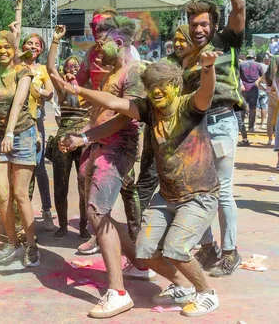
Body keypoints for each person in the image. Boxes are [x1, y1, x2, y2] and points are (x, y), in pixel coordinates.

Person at [55, 53, 221, 317]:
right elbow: (114, 102)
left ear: (175, 86)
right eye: (152, 85)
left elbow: (206, 90)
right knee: (144, 250)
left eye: (162, 84)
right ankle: (182, 286)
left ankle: (206, 293)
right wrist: (78, 89)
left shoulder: (189, 105)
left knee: (176, 248)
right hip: (167, 195)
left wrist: (208, 67)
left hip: (199, 195)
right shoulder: (148, 109)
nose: (156, 90)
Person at [58, 18, 150, 318]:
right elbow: (102, 116)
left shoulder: (133, 71)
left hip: (118, 149)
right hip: (100, 146)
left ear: (120, 43)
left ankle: (117, 292)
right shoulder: (113, 73)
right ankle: (140, 263)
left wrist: (86, 132)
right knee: (96, 213)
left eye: (102, 43)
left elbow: (127, 115)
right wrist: (82, 138)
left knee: (98, 211)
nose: (98, 48)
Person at [182, 0, 246, 277]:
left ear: (213, 25)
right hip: (197, 128)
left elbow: (239, 7)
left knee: (221, 192)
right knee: (197, 192)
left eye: (204, 24)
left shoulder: (226, 42)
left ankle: (231, 251)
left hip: (222, 123)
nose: (198, 29)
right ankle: (208, 248)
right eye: (194, 24)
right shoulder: (188, 57)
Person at [0, 30, 40, 267]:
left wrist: (9, 132)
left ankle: (31, 244)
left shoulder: (23, 71)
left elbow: (19, 102)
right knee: (2, 193)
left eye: (7, 47)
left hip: (22, 134)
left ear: (15, 49)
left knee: (20, 194)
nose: (3, 51)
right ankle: (13, 243)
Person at [10, 0, 55, 231]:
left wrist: (43, 92)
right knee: (19, 170)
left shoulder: (43, 70)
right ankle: (21, 217)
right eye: (30, 43)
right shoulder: (17, 65)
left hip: (35, 123)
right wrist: (19, 4)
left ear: (41, 49)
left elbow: (50, 92)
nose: (33, 46)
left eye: (37, 44)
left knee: (38, 168)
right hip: (17, 123)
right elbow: (14, 35)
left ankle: (46, 211)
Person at [46, 25, 90, 240]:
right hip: (63, 142)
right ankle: (62, 226)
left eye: (77, 67)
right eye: (69, 67)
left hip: (84, 142)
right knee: (61, 185)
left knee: (85, 186)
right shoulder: (63, 88)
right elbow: (50, 69)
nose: (73, 70)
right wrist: (55, 41)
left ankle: (84, 226)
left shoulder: (91, 88)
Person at [238, 49, 262, 141]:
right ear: (254, 57)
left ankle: (241, 126)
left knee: (242, 108)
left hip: (243, 88)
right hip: (254, 88)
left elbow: (237, 76)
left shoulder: (241, 64)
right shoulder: (258, 65)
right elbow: (262, 76)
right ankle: (251, 126)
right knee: (253, 108)